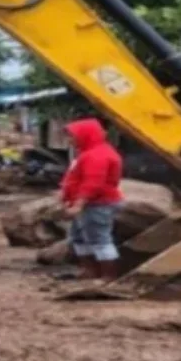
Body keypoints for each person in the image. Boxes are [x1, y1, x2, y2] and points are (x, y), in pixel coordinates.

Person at [60, 118, 123, 280]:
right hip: (90, 203)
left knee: (99, 239)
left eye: (72, 136)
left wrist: (78, 204)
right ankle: (89, 272)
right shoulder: (90, 153)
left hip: (97, 204)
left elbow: (93, 183)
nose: (70, 140)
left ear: (85, 135)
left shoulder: (97, 156)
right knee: (79, 237)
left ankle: (109, 276)